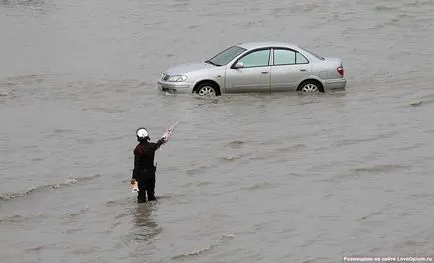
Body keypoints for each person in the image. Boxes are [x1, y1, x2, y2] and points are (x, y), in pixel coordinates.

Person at [131, 127, 166, 203]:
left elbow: (136, 166)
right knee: (151, 195)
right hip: (151, 174)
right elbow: (158, 144)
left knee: (141, 198)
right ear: (147, 136)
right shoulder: (152, 146)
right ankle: (153, 211)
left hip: (141, 176)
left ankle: (142, 212)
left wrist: (133, 179)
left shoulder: (137, 149)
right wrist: (162, 140)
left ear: (138, 137)